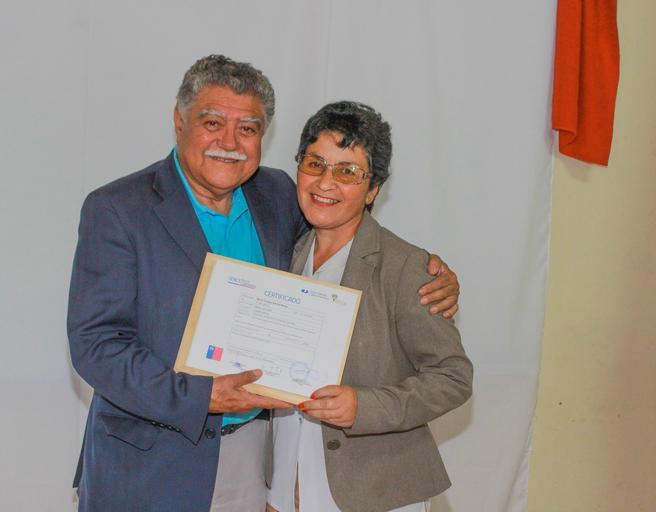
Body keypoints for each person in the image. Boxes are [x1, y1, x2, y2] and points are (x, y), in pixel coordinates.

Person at [67, 56, 461, 511]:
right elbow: (96, 344)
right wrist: (200, 396)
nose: (229, 142)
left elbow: (347, 241)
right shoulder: (118, 208)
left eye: (248, 129)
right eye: (212, 122)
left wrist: (434, 272)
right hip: (149, 463)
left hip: (255, 460)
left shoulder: (277, 195)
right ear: (179, 122)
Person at [266, 102, 473, 512]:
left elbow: (453, 378)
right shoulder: (282, 252)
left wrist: (364, 407)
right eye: (315, 163)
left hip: (376, 492)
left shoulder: (406, 266)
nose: (326, 182)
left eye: (347, 171)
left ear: (373, 189)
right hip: (286, 485)